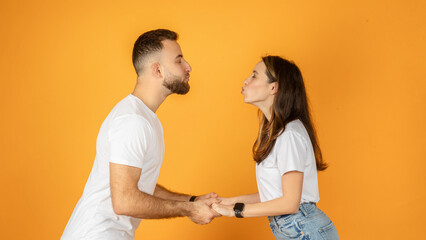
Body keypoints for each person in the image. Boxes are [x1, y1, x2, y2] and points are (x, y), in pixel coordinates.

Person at [61, 29, 220, 240]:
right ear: (158, 70)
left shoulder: (144, 118)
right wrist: (189, 210)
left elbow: (141, 186)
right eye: (179, 60)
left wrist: (192, 201)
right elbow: (125, 201)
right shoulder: (132, 121)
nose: (188, 66)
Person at [212, 56, 339, 240]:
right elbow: (273, 193)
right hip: (298, 228)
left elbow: (290, 203)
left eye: (254, 76)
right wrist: (227, 202)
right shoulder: (280, 133)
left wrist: (235, 211)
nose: (246, 81)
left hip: (304, 230)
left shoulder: (289, 135)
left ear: (274, 87)